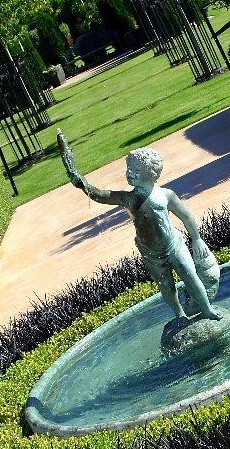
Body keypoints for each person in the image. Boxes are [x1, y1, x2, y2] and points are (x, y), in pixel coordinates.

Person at [57, 130, 221, 321]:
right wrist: (78, 179)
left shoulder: (165, 195)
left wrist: (197, 238)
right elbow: (98, 195)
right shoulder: (128, 199)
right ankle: (180, 314)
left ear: (151, 173)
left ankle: (207, 308)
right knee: (166, 287)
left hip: (174, 245)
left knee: (190, 275)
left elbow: (186, 215)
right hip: (151, 253)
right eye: (128, 169)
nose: (129, 173)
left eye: (135, 171)